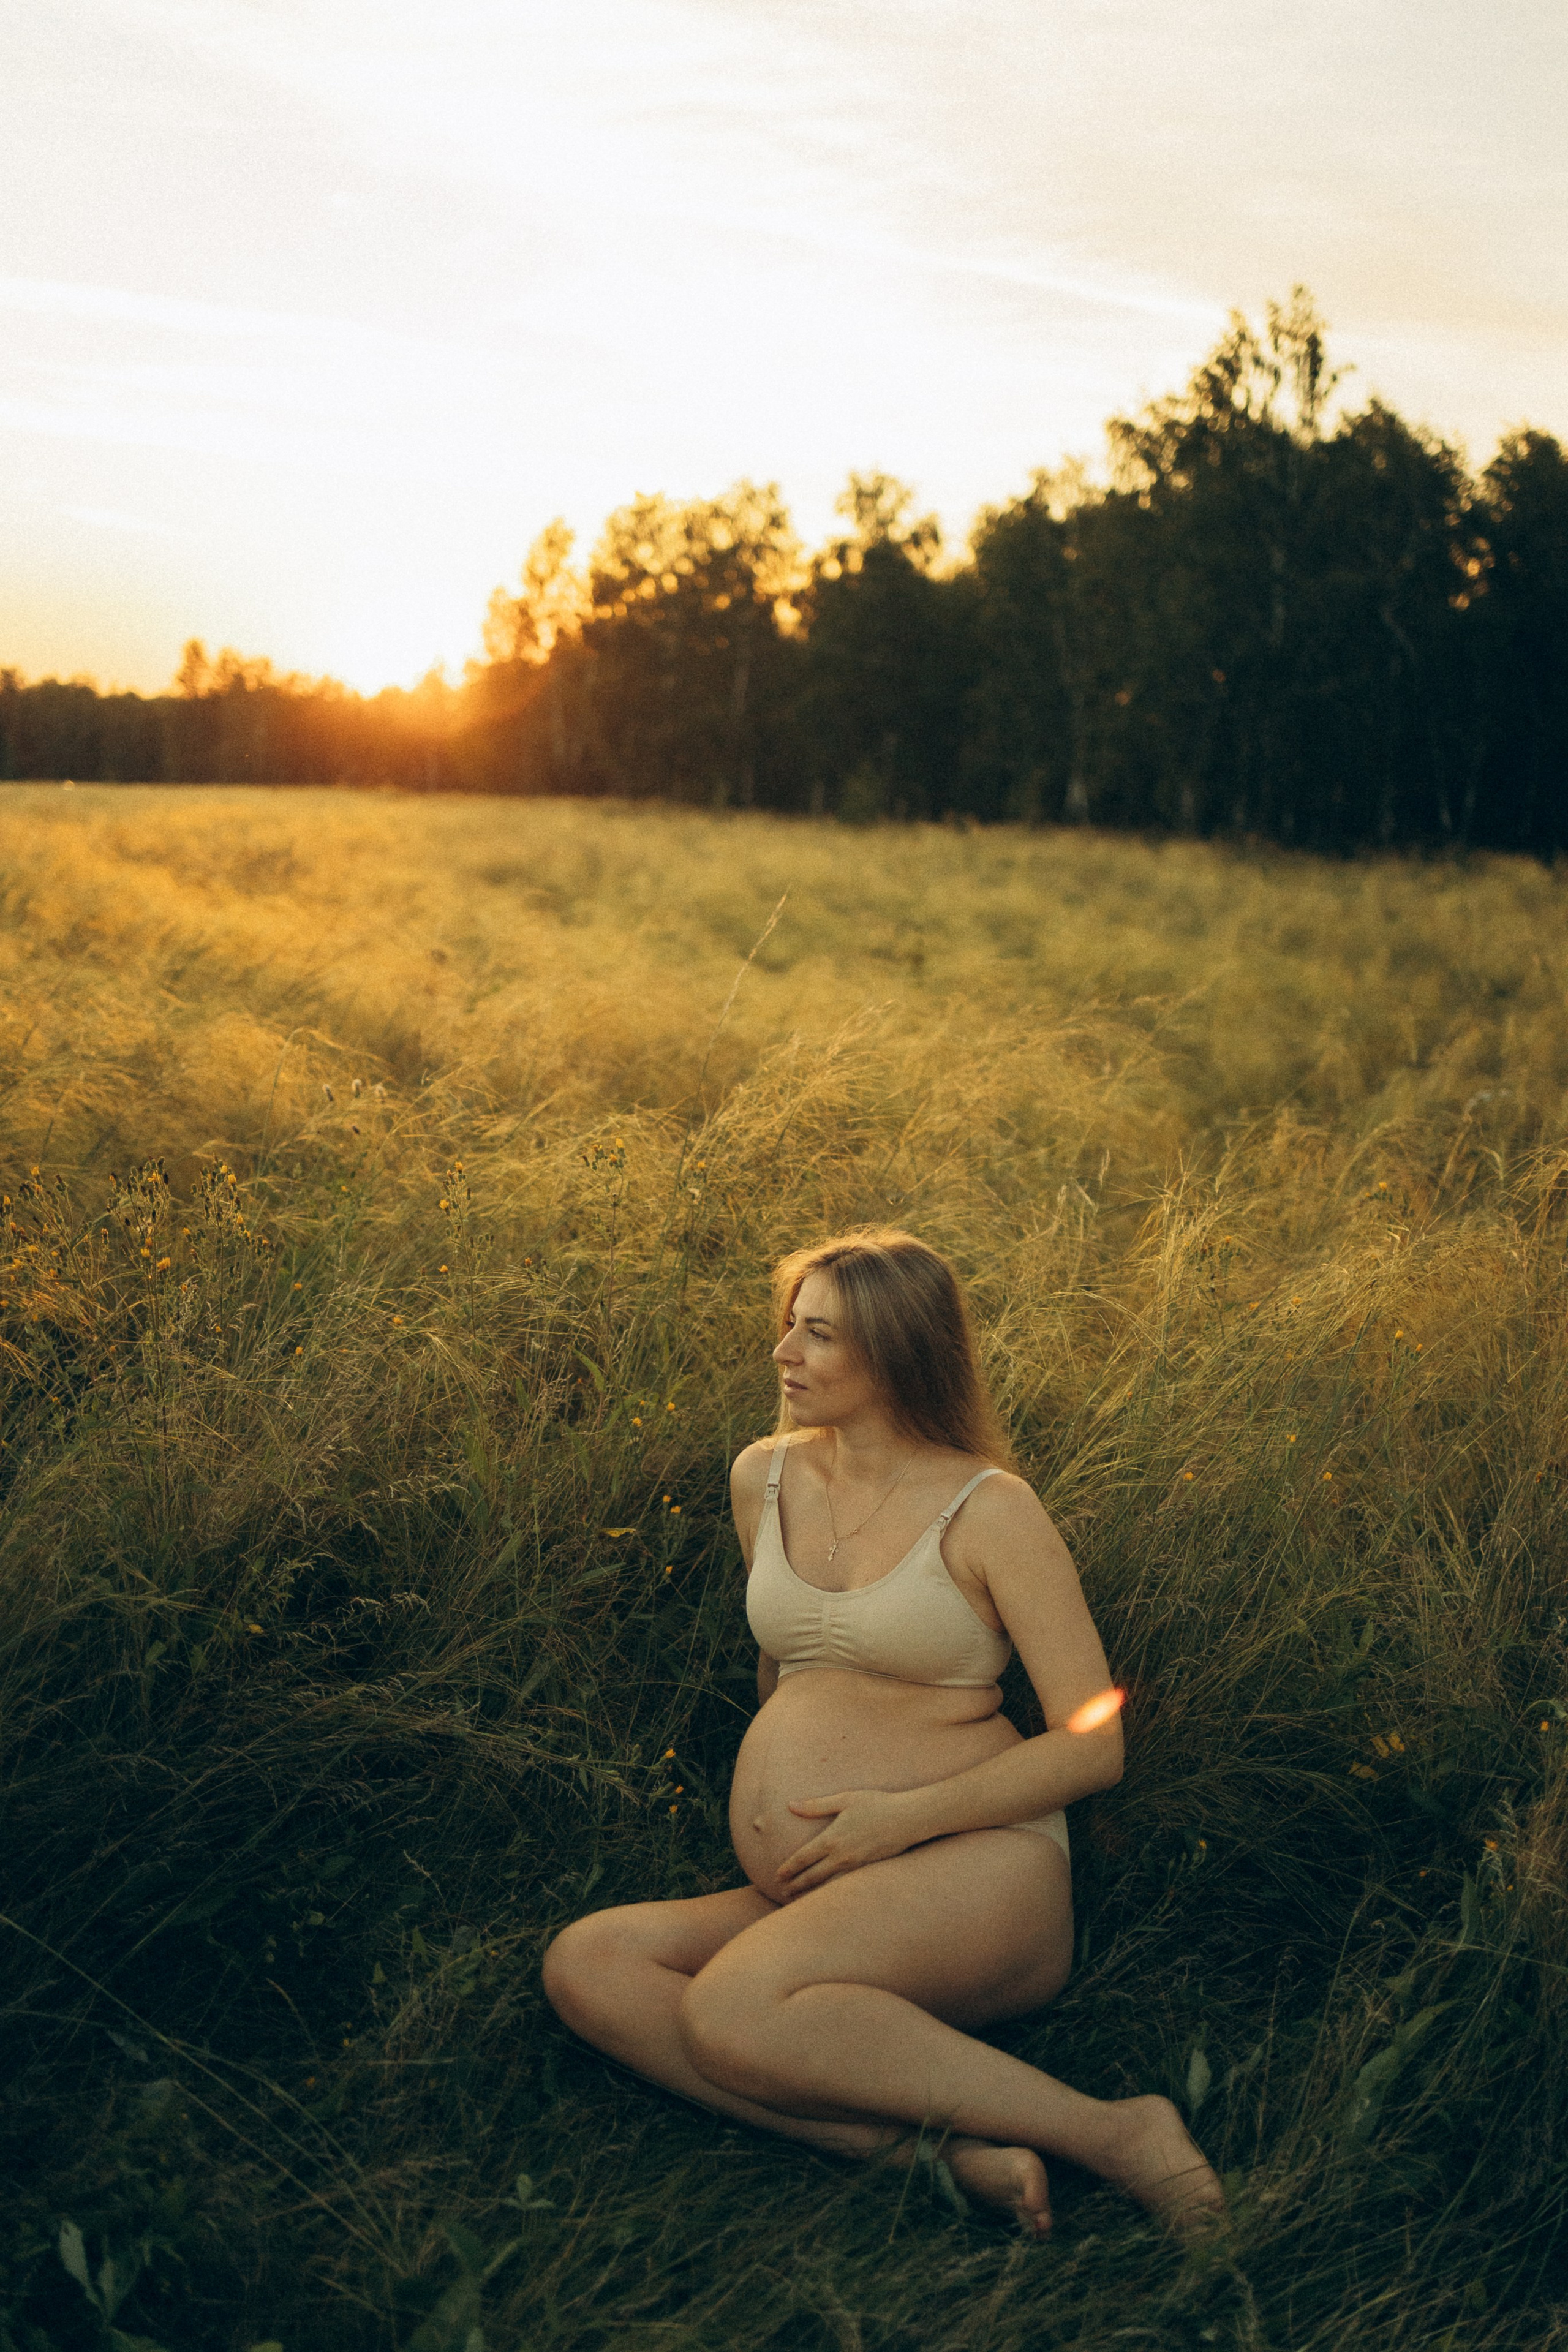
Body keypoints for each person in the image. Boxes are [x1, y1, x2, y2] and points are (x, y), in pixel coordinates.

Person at [543, 1228, 1222, 2234]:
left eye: (818, 1335)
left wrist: (898, 1820)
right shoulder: (763, 1477)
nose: (783, 1352)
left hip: (973, 1865)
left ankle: (1117, 2132)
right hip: (833, 1878)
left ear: (896, 1353)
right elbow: (787, 1669)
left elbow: (1094, 1743)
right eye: (790, 1324)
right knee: (589, 1963)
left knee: (728, 2010)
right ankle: (939, 2161)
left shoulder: (990, 1510)